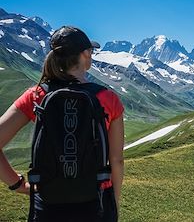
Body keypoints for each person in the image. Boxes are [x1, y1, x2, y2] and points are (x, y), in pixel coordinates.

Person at [0, 26, 124, 221]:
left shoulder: (36, 95)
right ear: (84, 54)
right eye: (91, 51)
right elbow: (116, 160)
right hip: (97, 202)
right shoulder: (108, 98)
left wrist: (18, 185)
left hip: (48, 203)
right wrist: (113, 203)